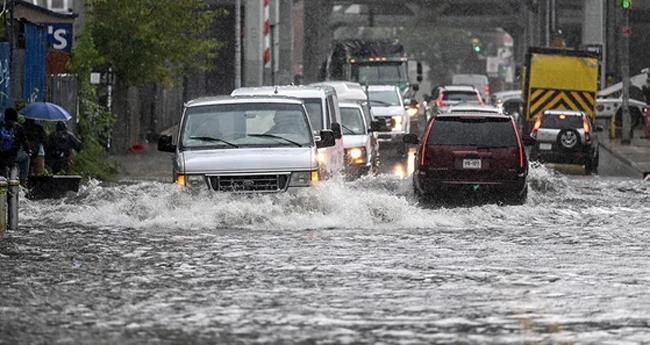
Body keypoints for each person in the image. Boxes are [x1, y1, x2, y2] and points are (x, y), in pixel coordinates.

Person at [0, 108, 31, 183]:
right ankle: (23, 180)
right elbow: (25, 142)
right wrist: (28, 151)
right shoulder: (18, 128)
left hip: (1, 157)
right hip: (13, 156)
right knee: (26, 157)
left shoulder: (1, 126)